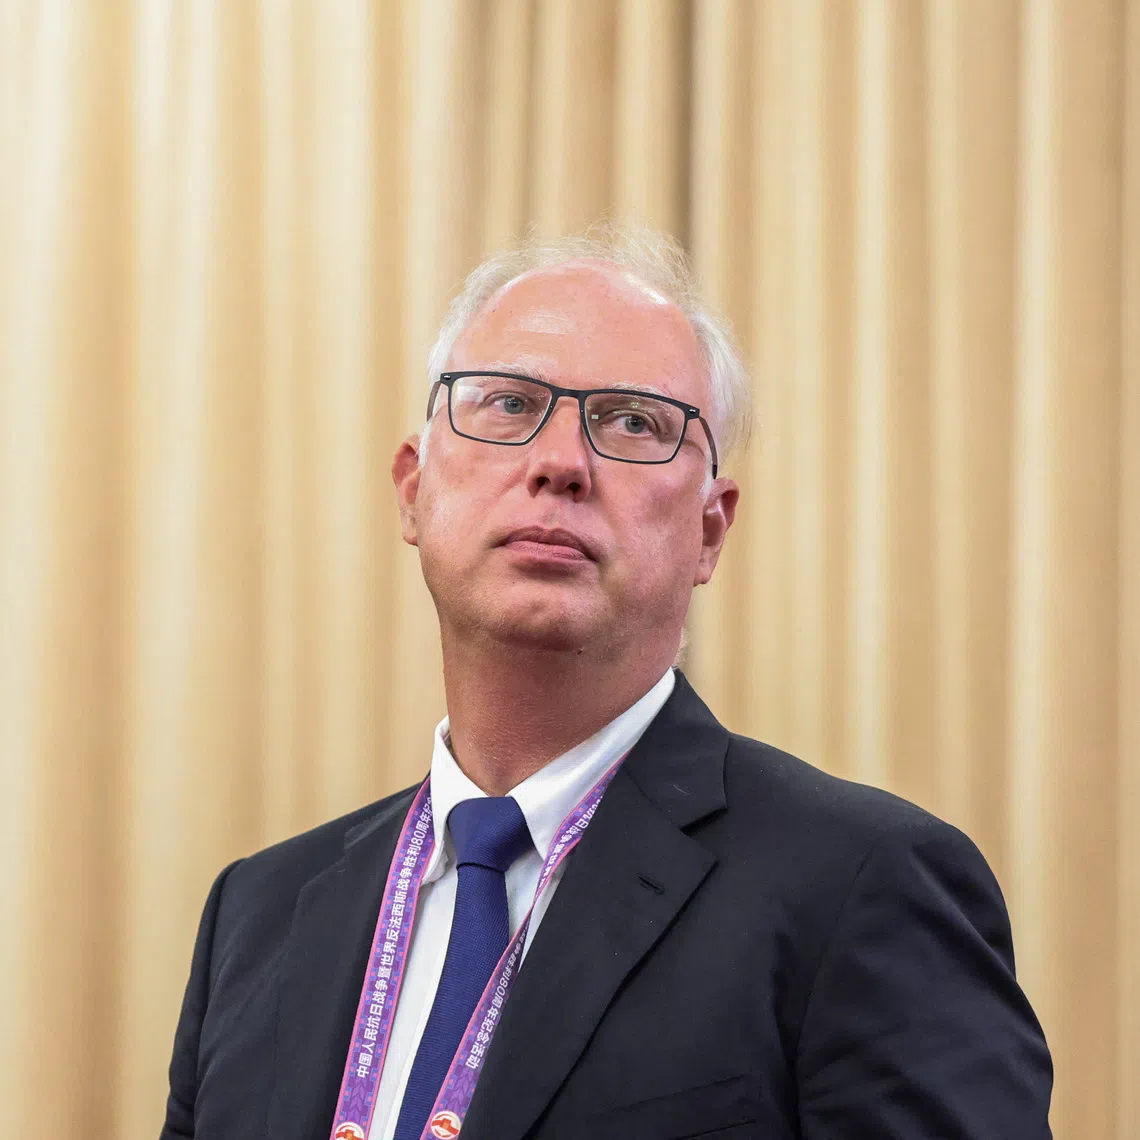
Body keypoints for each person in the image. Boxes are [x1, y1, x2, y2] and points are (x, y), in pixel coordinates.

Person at [160, 227, 1053, 1140]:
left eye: (633, 423)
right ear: (412, 492)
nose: (560, 462)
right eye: (508, 403)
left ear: (710, 531)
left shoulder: (862, 890)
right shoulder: (260, 914)